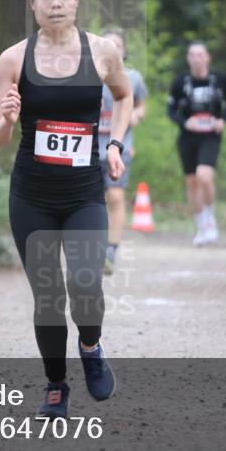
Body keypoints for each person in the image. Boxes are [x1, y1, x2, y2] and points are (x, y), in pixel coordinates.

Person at [0, 0, 132, 419]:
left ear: (77, 0)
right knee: (48, 298)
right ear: (32, 3)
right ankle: (55, 385)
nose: (55, 3)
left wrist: (115, 144)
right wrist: (7, 119)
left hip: (84, 192)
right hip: (31, 195)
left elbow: (124, 96)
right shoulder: (13, 59)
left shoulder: (102, 51)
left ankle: (90, 346)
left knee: (86, 284)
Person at [166, 41, 226, 246]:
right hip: (188, 137)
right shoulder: (181, 82)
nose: (196, 59)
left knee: (204, 176)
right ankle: (201, 225)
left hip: (210, 136)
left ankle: (210, 218)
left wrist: (223, 119)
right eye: (192, 55)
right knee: (192, 182)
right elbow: (170, 110)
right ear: (188, 59)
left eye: (200, 55)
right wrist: (184, 122)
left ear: (207, 58)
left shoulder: (220, 79)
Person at [98, 29, 148, 275]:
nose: (112, 49)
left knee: (115, 196)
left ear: (124, 51)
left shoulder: (133, 78)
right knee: (88, 201)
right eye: (106, 44)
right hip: (87, 148)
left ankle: (111, 249)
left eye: (116, 45)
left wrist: (137, 114)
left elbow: (141, 106)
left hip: (119, 147)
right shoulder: (87, 77)